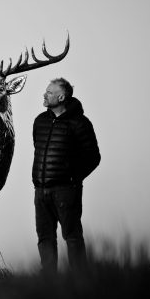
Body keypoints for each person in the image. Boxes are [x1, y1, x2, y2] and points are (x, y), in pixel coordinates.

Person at [32, 78, 100, 274]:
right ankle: (49, 283)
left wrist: (72, 178)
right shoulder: (40, 121)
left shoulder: (80, 123)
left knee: (72, 236)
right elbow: (38, 147)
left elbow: (93, 157)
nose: (44, 95)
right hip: (40, 191)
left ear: (61, 97)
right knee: (45, 237)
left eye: (49, 93)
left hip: (66, 191)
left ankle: (80, 281)